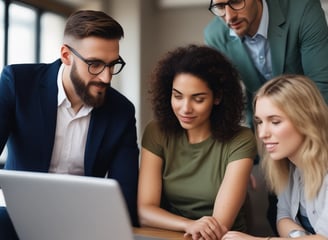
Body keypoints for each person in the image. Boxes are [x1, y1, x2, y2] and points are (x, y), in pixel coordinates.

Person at [0, 10, 139, 239]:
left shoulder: (121, 111)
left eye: (112, 64)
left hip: (83, 224)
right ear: (66, 55)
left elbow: (126, 195)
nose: (106, 77)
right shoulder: (17, 83)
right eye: (95, 64)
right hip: (16, 218)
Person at [204, 0, 328, 233]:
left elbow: (322, 87)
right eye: (219, 6)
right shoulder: (215, 35)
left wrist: (311, 146)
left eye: (236, 2)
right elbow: (227, 102)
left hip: (311, 131)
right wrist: (239, 158)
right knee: (277, 210)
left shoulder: (302, 11)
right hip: (283, 143)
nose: (228, 16)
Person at [137, 44, 257, 240]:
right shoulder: (156, 132)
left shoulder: (241, 140)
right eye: (177, 96)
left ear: (217, 97)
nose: (185, 108)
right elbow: (145, 212)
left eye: (198, 99)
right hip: (172, 234)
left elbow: (218, 226)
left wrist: (195, 227)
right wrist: (189, 224)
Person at [222, 74, 328, 240]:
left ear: (307, 120)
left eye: (275, 121)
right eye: (259, 122)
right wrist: (301, 237)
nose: (263, 134)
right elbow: (283, 216)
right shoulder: (290, 165)